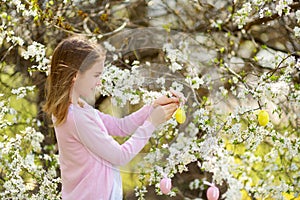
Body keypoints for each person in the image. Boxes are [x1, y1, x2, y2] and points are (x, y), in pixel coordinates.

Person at [43, 36, 183, 200]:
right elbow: (120, 155)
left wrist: (152, 107)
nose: (99, 83)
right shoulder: (76, 119)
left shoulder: (78, 108)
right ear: (75, 75)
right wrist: (151, 123)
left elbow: (121, 127)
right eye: (95, 75)